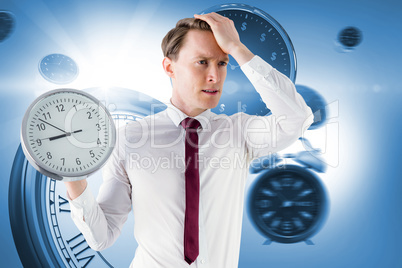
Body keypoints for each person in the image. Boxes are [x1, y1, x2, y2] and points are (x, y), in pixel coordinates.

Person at [65, 12, 313, 268]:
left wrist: (237, 48)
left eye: (222, 63)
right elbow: (102, 237)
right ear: (169, 67)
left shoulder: (238, 133)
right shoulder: (130, 139)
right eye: (202, 62)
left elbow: (297, 118)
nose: (215, 76)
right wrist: (72, 177)